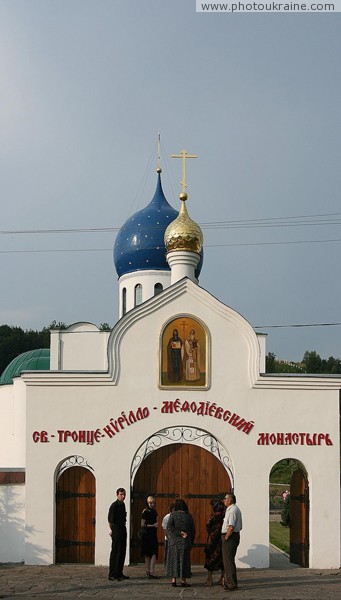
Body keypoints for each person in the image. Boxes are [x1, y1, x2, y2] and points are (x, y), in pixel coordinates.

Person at [166, 498, 195, 588]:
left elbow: (169, 527)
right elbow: (193, 530)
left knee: (174, 560)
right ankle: (183, 580)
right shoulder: (188, 516)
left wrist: (178, 533)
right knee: (184, 561)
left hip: (174, 542)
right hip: (185, 542)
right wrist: (191, 541)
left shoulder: (173, 515)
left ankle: (173, 580)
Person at [221, 492, 242, 591]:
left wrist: (226, 537)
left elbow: (231, 526)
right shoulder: (231, 509)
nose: (224, 500)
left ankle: (231, 583)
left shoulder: (232, 510)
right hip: (231, 536)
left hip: (230, 537)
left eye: (225, 498)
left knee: (228, 561)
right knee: (228, 561)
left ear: (229, 500)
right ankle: (229, 581)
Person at [108, 488, 129, 581]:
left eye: (124, 494)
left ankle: (119, 572)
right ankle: (112, 574)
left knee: (122, 551)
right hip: (116, 528)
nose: (123, 496)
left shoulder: (123, 505)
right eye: (121, 494)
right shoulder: (114, 506)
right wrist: (113, 530)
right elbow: (110, 521)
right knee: (116, 552)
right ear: (117, 495)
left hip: (122, 528)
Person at [204, 498, 225, 586]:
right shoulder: (224, 517)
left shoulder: (212, 517)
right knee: (222, 559)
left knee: (210, 559)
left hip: (212, 541)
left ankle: (209, 579)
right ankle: (222, 578)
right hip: (221, 540)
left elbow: (207, 526)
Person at [141, 496, 159, 579]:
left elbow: (157, 521)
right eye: (150, 503)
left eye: (153, 503)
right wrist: (152, 525)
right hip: (147, 534)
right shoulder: (145, 512)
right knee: (148, 553)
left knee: (154, 553)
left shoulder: (154, 511)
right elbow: (142, 524)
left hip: (153, 534)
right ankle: (149, 571)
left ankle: (150, 571)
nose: (152, 504)